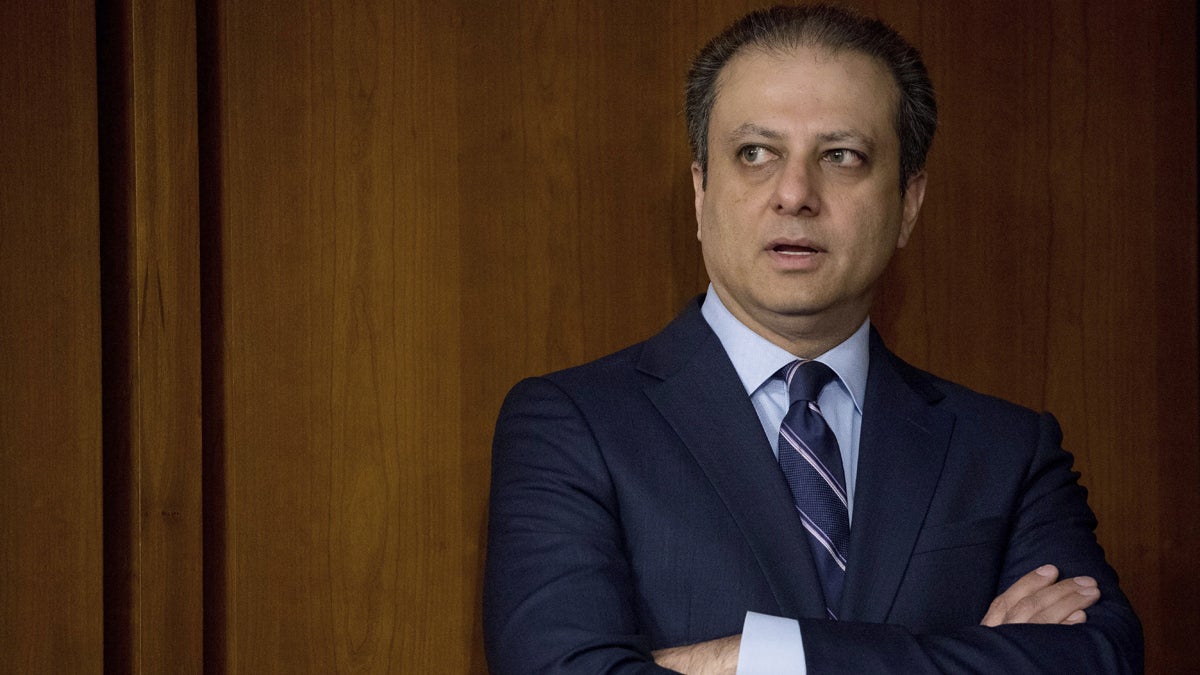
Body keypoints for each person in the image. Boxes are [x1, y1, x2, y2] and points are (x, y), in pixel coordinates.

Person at [483, 4, 1142, 673]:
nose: (795, 192)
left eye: (842, 155)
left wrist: (758, 658)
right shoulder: (571, 425)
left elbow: (1098, 658)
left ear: (909, 203)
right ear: (700, 191)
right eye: (755, 153)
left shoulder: (1006, 451)